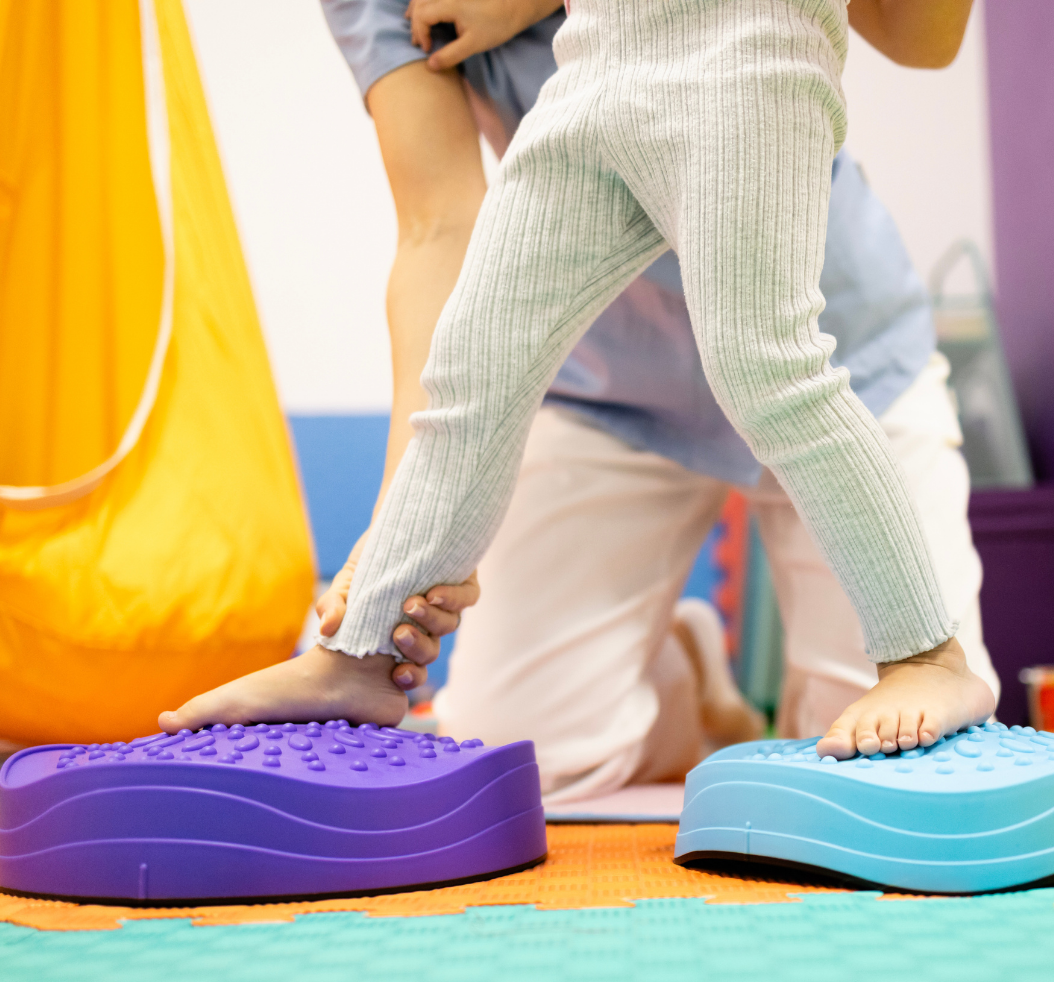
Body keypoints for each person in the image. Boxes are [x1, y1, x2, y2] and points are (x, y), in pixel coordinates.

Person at [160, 0, 994, 766]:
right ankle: (362, 655)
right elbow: (438, 224)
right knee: (475, 366)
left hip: (744, 45)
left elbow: (928, 38)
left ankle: (926, 653)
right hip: (601, 65)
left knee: (767, 366)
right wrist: (391, 548)